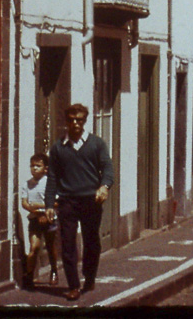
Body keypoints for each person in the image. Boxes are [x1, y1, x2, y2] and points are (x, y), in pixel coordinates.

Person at [45, 104, 114, 301]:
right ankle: (74, 286)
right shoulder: (58, 148)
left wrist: (104, 187)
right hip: (67, 202)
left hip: (91, 201)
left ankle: (90, 276)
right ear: (66, 121)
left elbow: (108, 169)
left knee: (91, 241)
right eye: (72, 120)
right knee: (67, 243)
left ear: (85, 122)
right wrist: (49, 204)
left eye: (80, 120)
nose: (75, 124)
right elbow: (52, 178)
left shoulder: (96, 144)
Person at [20, 153, 58, 288]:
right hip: (34, 219)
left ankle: (54, 270)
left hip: (49, 219)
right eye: (32, 166)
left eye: (38, 166)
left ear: (45, 168)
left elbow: (56, 202)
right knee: (34, 247)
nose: (34, 169)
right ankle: (29, 275)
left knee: (50, 245)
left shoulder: (49, 183)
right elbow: (24, 202)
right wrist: (33, 210)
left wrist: (41, 207)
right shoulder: (27, 184)